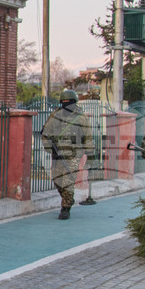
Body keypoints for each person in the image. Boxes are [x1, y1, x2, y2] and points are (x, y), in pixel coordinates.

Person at [40, 89, 94, 220]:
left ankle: (66, 208)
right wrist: (50, 148)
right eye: (64, 102)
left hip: (73, 155)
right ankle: (68, 199)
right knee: (57, 181)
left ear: (74, 102)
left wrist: (91, 156)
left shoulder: (81, 118)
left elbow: (88, 137)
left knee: (67, 182)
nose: (66, 104)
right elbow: (45, 132)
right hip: (57, 154)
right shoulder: (55, 116)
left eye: (69, 102)